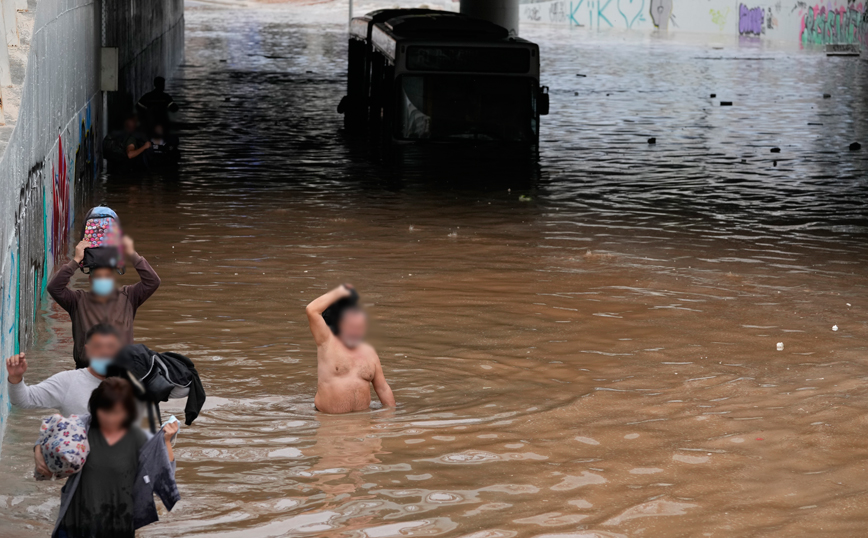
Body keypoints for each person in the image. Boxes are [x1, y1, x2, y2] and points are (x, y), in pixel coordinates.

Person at [42, 378, 180, 538]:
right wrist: (43, 446)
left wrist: (166, 442)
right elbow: (49, 442)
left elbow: (164, 475)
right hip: (76, 525)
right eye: (105, 411)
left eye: (118, 413)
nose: (110, 418)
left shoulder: (138, 439)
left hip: (119, 527)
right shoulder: (79, 428)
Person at [48, 235, 161, 369]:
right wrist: (76, 260)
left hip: (122, 371)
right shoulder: (77, 301)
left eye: (107, 276)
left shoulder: (129, 296)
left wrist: (132, 255)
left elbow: (153, 281)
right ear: (90, 279)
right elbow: (54, 287)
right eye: (98, 277)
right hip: (87, 370)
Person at [305, 284, 396, 414]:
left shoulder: (369, 351)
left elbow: (382, 388)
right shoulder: (327, 341)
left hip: (363, 424)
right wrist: (340, 291)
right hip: (329, 423)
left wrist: (391, 417)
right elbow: (311, 310)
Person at [6, 324, 123, 417]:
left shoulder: (132, 382)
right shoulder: (68, 382)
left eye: (110, 347)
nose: (105, 352)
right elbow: (25, 400)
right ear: (88, 350)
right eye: (98, 346)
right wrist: (16, 378)